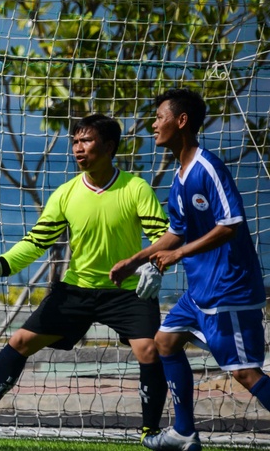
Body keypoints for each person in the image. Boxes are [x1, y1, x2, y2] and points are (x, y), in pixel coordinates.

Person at [0, 114, 170, 442]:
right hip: (75, 290)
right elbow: (36, 242)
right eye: (74, 141)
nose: (77, 148)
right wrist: (2, 264)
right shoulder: (66, 193)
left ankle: (150, 433)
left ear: (110, 146)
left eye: (86, 141)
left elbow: (162, 237)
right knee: (19, 342)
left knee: (149, 350)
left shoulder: (136, 188)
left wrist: (154, 264)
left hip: (126, 292)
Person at [111, 89, 270, 451]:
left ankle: (184, 432)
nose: (153, 124)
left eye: (159, 117)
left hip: (230, 289)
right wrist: (136, 259)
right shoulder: (180, 178)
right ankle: (184, 432)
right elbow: (176, 231)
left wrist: (180, 254)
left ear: (181, 121)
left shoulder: (207, 168)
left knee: (245, 373)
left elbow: (230, 224)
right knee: (165, 341)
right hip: (200, 291)